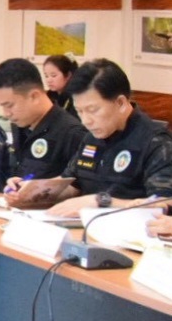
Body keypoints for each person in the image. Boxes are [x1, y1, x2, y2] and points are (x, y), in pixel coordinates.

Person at [10, 59, 172, 215]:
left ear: (121, 103)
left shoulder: (157, 142)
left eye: (92, 110)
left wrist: (101, 201)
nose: (86, 121)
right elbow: (72, 185)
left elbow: (161, 205)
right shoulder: (91, 138)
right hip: (80, 227)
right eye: (79, 111)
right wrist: (31, 191)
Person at [0, 57, 87, 205]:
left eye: (9, 105)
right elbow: (22, 173)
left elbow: (79, 188)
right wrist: (15, 185)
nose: (6, 114)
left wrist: (39, 192)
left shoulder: (72, 132)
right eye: (2, 106)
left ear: (34, 96)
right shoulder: (20, 124)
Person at [42, 54, 78, 120]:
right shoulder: (49, 96)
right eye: (46, 76)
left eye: (53, 75)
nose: (49, 80)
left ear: (68, 75)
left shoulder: (75, 98)